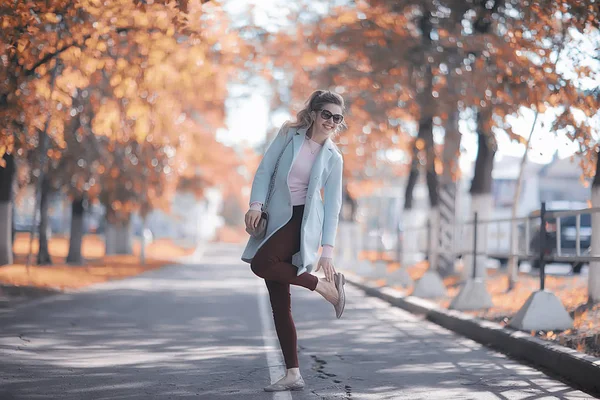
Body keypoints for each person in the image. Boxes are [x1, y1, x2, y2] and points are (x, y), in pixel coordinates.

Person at [241, 90, 347, 392]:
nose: (330, 121)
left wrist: (327, 251)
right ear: (313, 113)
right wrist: (255, 204)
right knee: (279, 302)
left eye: (336, 118)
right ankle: (293, 373)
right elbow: (265, 170)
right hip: (276, 219)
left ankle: (324, 287)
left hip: (301, 224)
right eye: (326, 114)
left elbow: (333, 206)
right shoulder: (289, 134)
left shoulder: (333, 158)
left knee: (261, 264)